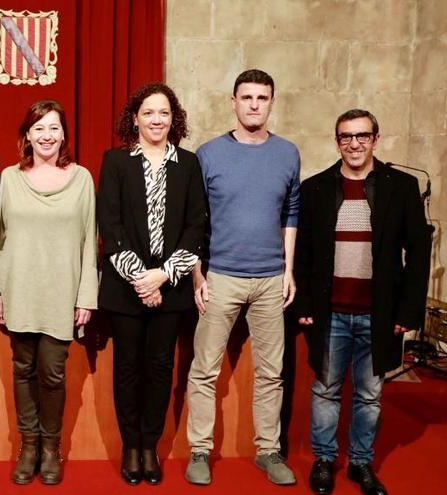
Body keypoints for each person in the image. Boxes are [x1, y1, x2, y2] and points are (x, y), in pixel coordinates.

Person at [294, 109, 431, 495]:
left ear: (376, 139)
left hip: (379, 313)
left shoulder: (401, 187)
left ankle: (360, 463)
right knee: (325, 389)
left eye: (362, 136)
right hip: (331, 311)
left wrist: (407, 312)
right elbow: (303, 253)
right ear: (336, 141)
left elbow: (418, 254)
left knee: (370, 395)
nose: (354, 144)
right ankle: (324, 460)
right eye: (346, 137)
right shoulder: (316, 188)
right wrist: (303, 303)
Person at [185, 69, 300, 486]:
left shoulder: (288, 153)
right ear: (232, 101)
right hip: (222, 276)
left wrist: (288, 270)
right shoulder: (209, 153)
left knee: (272, 372)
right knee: (204, 369)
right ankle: (200, 448)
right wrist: (198, 275)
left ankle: (267, 450)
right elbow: (195, 220)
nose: (254, 104)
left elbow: (291, 213)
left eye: (262, 98)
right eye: (246, 97)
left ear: (272, 102)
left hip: (271, 278)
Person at [97, 82, 206, 486]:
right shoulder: (115, 161)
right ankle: (130, 447)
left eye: (164, 113)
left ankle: (150, 446)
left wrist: (164, 274)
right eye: (148, 112)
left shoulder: (189, 164)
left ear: (173, 118)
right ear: (135, 118)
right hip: (126, 287)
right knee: (127, 368)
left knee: (161, 368)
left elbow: (197, 225)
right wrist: (141, 277)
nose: (157, 119)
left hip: (172, 288)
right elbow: (110, 225)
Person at [0, 100, 98, 485]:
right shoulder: (9, 178)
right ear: (27, 135)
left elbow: (88, 242)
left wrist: (86, 295)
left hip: (61, 292)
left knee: (52, 371)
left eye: (53, 128)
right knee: (22, 369)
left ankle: (51, 447)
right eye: (39, 128)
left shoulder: (82, 179)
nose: (47, 135)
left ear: (63, 134)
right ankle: (28, 446)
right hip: (19, 289)